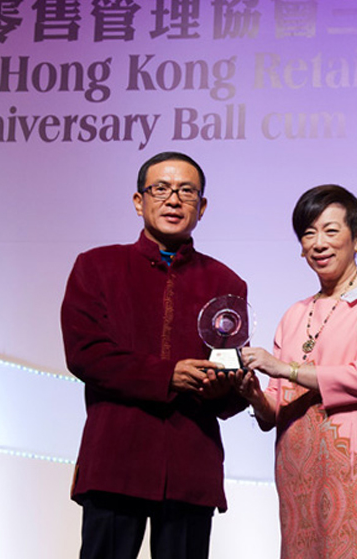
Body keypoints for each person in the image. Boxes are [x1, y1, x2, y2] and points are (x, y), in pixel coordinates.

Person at [61, 151, 248, 559]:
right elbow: (85, 353)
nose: (173, 200)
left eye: (187, 191)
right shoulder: (96, 266)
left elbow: (230, 374)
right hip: (115, 460)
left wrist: (225, 387)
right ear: (139, 201)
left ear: (202, 207)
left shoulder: (226, 282)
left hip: (190, 465)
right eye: (161, 189)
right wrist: (167, 376)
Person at [238, 184, 357, 559]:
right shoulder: (294, 314)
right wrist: (254, 395)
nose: (319, 244)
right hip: (301, 472)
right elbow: (275, 410)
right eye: (308, 234)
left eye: (331, 231)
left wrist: (284, 368)